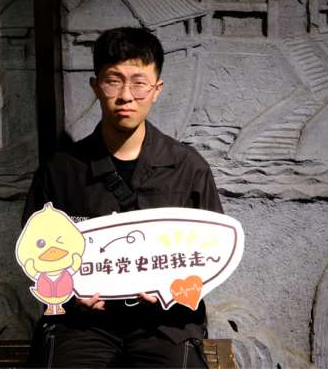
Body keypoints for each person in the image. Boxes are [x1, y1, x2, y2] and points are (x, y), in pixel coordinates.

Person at [23, 27, 223, 369]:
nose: (126, 96)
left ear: (157, 90)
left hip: (165, 324)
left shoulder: (188, 168)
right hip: (80, 325)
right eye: (113, 81)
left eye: (139, 83)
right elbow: (33, 253)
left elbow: (212, 253)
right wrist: (69, 294)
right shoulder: (60, 172)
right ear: (95, 86)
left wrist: (171, 291)